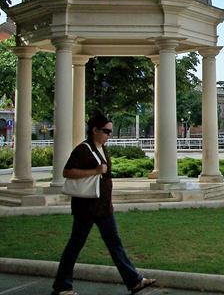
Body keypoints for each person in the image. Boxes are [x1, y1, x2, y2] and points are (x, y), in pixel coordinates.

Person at [51, 113, 156, 295]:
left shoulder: (102, 148)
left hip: (104, 207)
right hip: (86, 208)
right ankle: (62, 286)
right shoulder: (83, 149)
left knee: (115, 244)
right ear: (95, 130)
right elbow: (67, 172)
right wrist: (95, 170)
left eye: (110, 131)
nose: (109, 135)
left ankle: (134, 282)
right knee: (75, 245)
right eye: (106, 131)